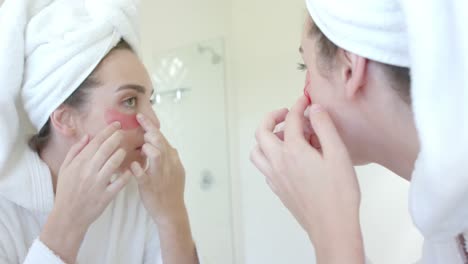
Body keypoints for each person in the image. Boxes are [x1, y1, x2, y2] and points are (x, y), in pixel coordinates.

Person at [251, 0, 468, 263]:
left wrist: (331, 231)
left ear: (349, 69)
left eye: (305, 66)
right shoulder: (447, 230)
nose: (303, 92)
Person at [0, 1, 199, 263]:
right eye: (129, 101)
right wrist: (67, 224)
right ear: (65, 119)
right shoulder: (6, 213)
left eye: (150, 101)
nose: (153, 121)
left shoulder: (139, 195)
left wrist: (173, 216)